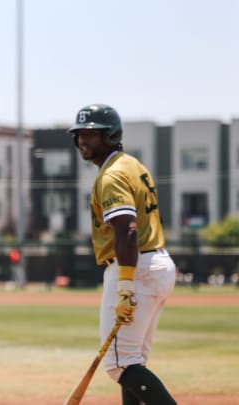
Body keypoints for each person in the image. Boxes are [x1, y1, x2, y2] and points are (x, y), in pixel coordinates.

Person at [67, 104, 177, 404]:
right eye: (79, 134)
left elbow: (126, 230)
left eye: (91, 133)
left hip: (134, 267)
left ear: (111, 135)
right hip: (155, 262)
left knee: (119, 365)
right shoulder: (133, 165)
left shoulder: (112, 175)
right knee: (132, 362)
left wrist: (126, 285)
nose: (82, 141)